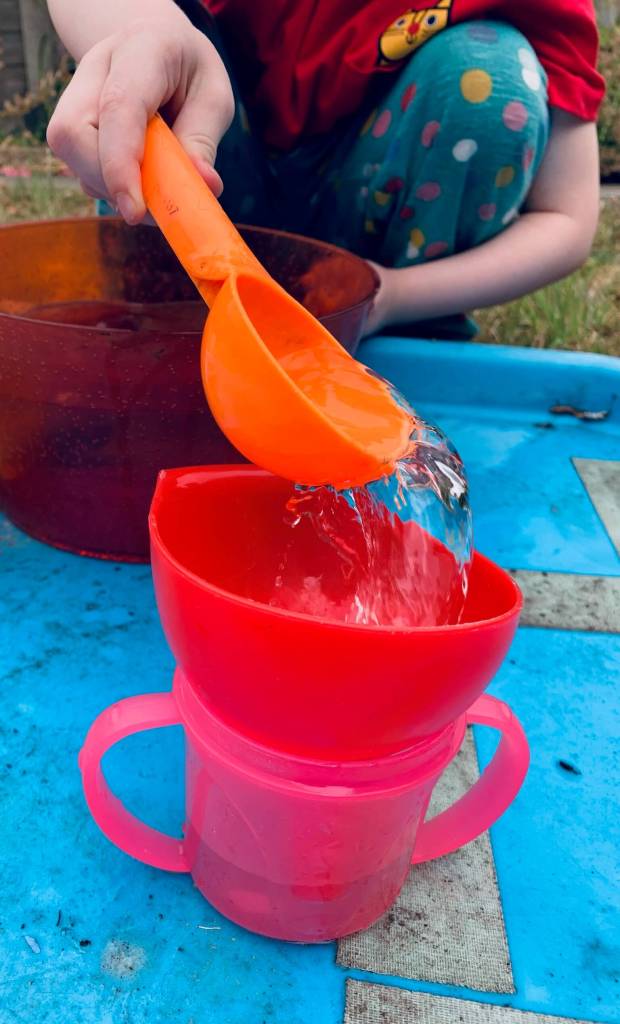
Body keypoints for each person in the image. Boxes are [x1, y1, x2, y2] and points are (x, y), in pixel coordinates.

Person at [46, 0, 604, 337]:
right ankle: (165, 312)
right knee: (166, 59)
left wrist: (393, 294)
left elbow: (567, 219)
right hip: (221, 174)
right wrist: (140, 35)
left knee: (490, 80)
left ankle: (407, 341)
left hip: (379, 240)